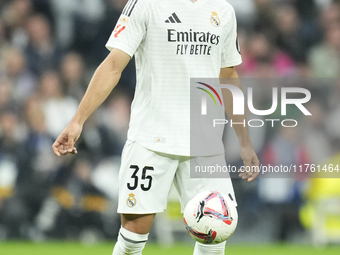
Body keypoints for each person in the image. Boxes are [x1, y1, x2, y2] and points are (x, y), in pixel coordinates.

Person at [52, 0, 260, 254]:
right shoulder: (145, 4)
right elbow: (113, 65)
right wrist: (77, 121)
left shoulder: (224, 11)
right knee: (132, 238)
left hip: (205, 141)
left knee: (215, 235)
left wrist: (244, 139)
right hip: (152, 138)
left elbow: (227, 76)